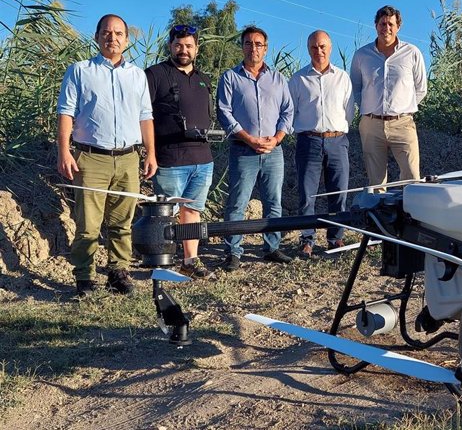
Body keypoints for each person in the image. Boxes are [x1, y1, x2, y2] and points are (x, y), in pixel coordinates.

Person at [57, 14, 157, 297]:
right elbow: (66, 113)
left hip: (128, 159)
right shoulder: (80, 71)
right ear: (97, 36)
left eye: (118, 33)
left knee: (122, 222)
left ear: (127, 39)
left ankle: (118, 272)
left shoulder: (137, 75)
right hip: (91, 159)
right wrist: (64, 150)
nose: (112, 37)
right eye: (106, 32)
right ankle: (85, 277)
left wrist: (151, 153)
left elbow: (145, 117)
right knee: (88, 225)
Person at [216, 26, 294, 269]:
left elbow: (287, 111)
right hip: (243, 149)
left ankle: (272, 248)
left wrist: (278, 137)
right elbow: (223, 111)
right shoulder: (230, 77)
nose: (253, 48)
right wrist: (249, 138)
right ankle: (233, 251)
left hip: (273, 150)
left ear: (266, 48)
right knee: (237, 202)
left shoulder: (278, 78)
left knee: (273, 202)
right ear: (242, 47)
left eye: (258, 44)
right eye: (248, 43)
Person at [145, 25, 215, 280]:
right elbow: (145, 117)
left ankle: (190, 260)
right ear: (170, 46)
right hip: (170, 158)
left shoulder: (203, 78)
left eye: (188, 46)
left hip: (202, 159)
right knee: (166, 214)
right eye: (178, 45)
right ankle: (161, 264)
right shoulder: (155, 74)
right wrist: (150, 152)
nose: (183, 50)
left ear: (196, 49)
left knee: (193, 212)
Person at [288, 30, 354, 257]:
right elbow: (291, 111)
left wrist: (336, 131)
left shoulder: (343, 77)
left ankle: (335, 238)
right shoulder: (298, 79)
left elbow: (349, 110)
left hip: (337, 141)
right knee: (307, 195)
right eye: (314, 47)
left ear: (330, 48)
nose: (319, 51)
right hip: (309, 141)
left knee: (339, 192)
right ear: (308, 49)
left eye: (323, 46)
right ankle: (307, 239)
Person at [350, 5, 427, 188]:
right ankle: (380, 216)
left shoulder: (412, 52)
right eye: (382, 24)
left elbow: (421, 88)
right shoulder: (362, 55)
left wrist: (403, 107)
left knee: (412, 176)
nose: (387, 28)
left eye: (391, 24)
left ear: (398, 27)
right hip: (371, 125)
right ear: (376, 25)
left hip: (403, 124)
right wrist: (370, 109)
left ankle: (410, 215)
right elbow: (355, 88)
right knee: (376, 182)